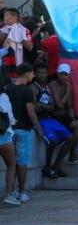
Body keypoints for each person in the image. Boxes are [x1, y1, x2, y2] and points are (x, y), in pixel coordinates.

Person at [6, 64, 43, 204]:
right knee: (22, 162)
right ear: (27, 74)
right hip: (23, 129)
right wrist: (38, 128)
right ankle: (22, 191)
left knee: (12, 162)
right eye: (32, 73)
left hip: (10, 130)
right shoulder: (27, 91)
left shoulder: (8, 88)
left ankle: (12, 191)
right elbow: (31, 111)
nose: (33, 75)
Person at [31, 65, 71, 179]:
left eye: (44, 73)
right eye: (39, 73)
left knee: (70, 137)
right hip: (41, 120)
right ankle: (47, 167)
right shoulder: (33, 88)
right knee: (52, 140)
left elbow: (52, 107)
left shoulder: (47, 88)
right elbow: (34, 107)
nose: (42, 75)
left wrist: (42, 106)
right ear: (35, 74)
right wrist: (45, 106)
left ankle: (55, 166)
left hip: (50, 119)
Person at [0, 77, 18, 206]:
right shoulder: (3, 96)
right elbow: (9, 116)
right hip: (4, 135)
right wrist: (13, 122)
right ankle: (8, 195)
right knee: (11, 164)